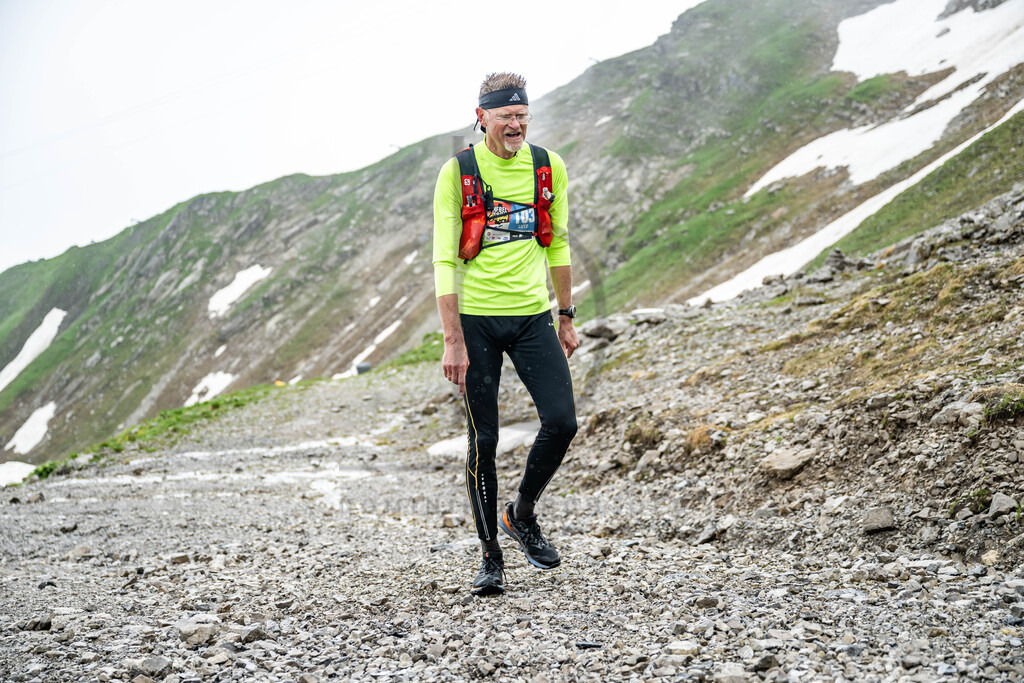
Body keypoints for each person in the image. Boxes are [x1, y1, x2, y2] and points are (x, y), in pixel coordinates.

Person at [432, 72, 579, 596]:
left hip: (532, 317)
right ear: (483, 117)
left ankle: (521, 515)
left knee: (562, 422)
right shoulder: (459, 173)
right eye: (506, 116)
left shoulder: (548, 166)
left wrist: (566, 314)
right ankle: (491, 558)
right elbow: (444, 259)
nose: (515, 124)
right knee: (484, 440)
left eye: (522, 115)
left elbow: (558, 243)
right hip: (475, 323)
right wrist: (452, 337)